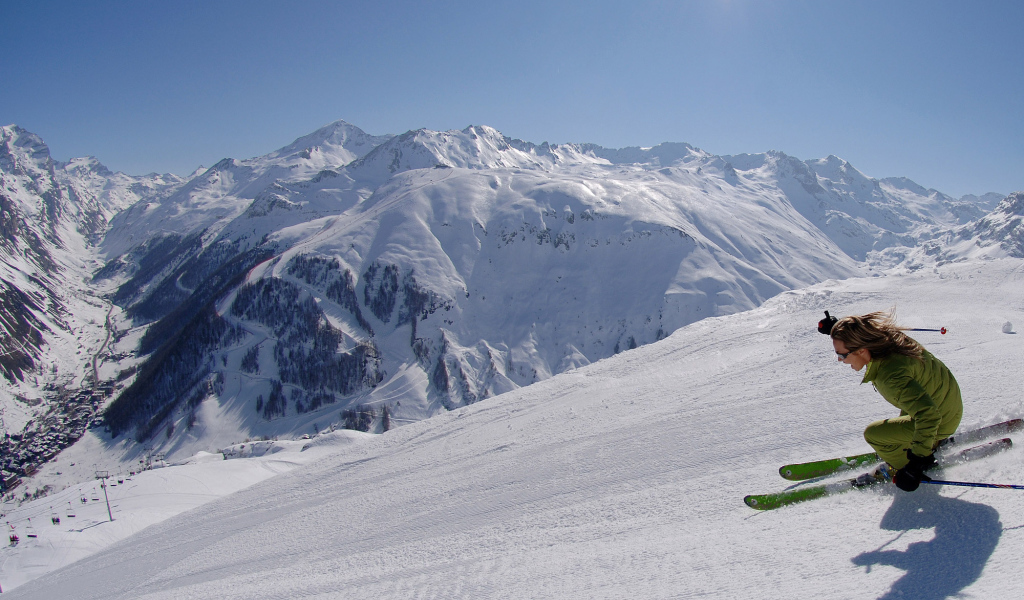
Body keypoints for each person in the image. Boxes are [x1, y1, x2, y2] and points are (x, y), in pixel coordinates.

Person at [818, 310, 963, 492]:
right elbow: (864, 332)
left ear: (861, 349)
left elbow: (929, 415)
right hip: (945, 398)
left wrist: (916, 465)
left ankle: (906, 463)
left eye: (842, 355)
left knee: (874, 434)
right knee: (908, 405)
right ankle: (926, 443)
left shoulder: (890, 377)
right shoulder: (885, 340)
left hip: (941, 418)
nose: (840, 360)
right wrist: (839, 329)